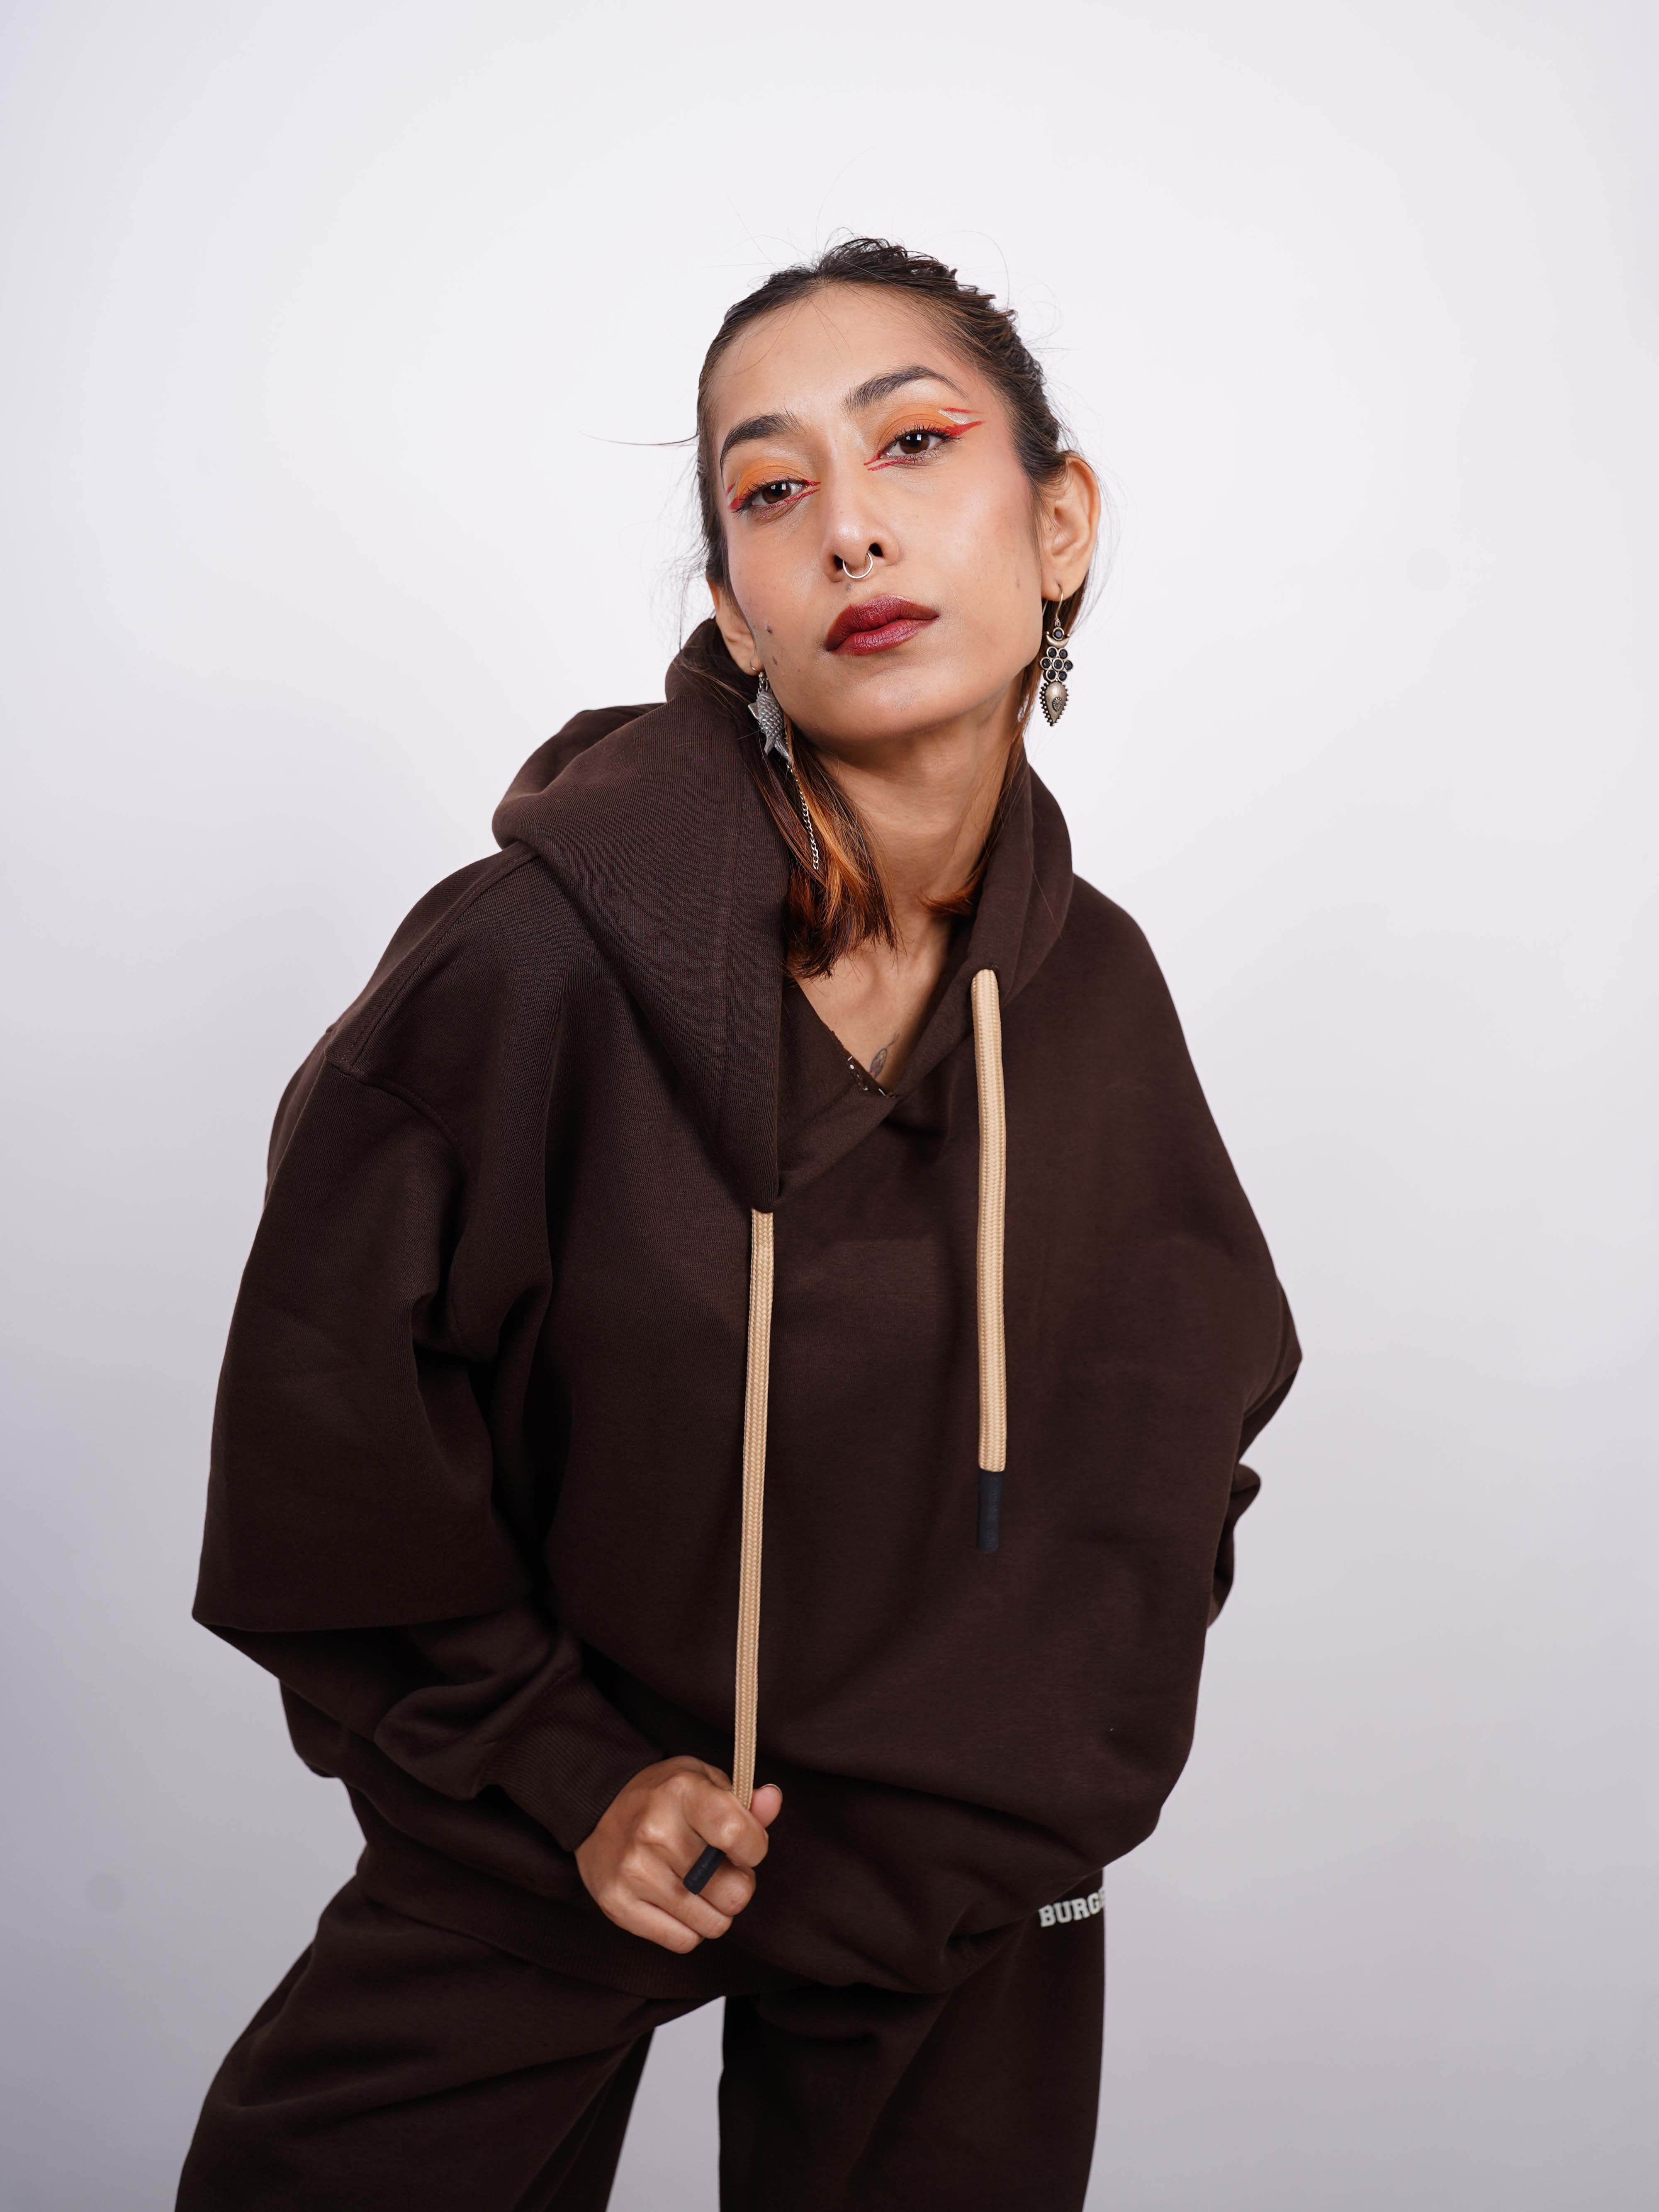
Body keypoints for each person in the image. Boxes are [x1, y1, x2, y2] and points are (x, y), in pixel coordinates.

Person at [176, 237, 1301, 2212]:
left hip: (948, 1868)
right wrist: (562, 1770)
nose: (848, 525)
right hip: (557, 1826)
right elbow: (329, 1421)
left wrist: (1039, 1743)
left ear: (1058, 523)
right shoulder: (529, 962)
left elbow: (1180, 1404)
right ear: (733, 607)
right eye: (772, 490)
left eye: (914, 443)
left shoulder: (1093, 993)